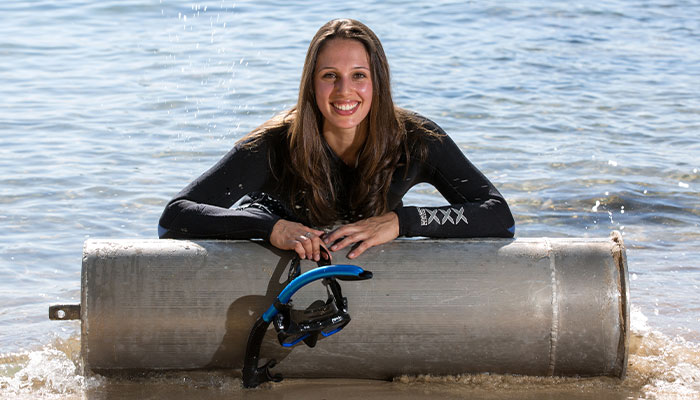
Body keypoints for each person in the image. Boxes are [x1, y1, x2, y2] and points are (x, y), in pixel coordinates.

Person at [158, 19, 515, 261]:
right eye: (330, 75)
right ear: (312, 84)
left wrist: (401, 223)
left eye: (358, 75)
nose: (345, 91)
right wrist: (270, 228)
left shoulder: (416, 140)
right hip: (273, 244)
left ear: (377, 81)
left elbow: (498, 216)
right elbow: (175, 217)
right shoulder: (273, 146)